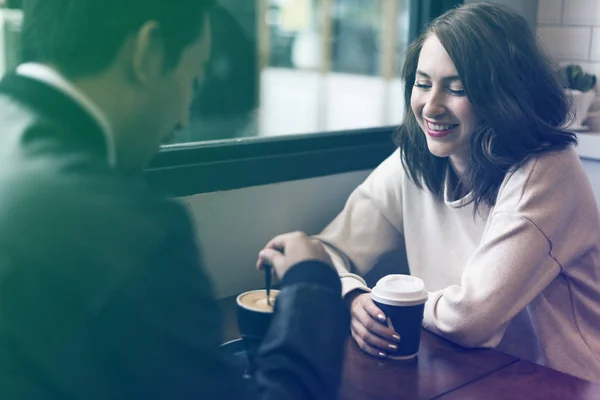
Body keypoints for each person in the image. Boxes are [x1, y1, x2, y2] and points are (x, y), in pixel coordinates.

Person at [0, 1, 349, 399]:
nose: (183, 117)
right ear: (148, 52)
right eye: (193, 80)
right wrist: (311, 285)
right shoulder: (125, 227)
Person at [260, 2, 600, 383]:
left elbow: (472, 318)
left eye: (457, 89)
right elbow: (332, 248)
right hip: (465, 369)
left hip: (562, 382)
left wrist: (384, 302)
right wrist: (352, 297)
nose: (431, 107)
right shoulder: (417, 159)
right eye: (423, 84)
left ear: (504, 96)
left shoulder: (548, 171)